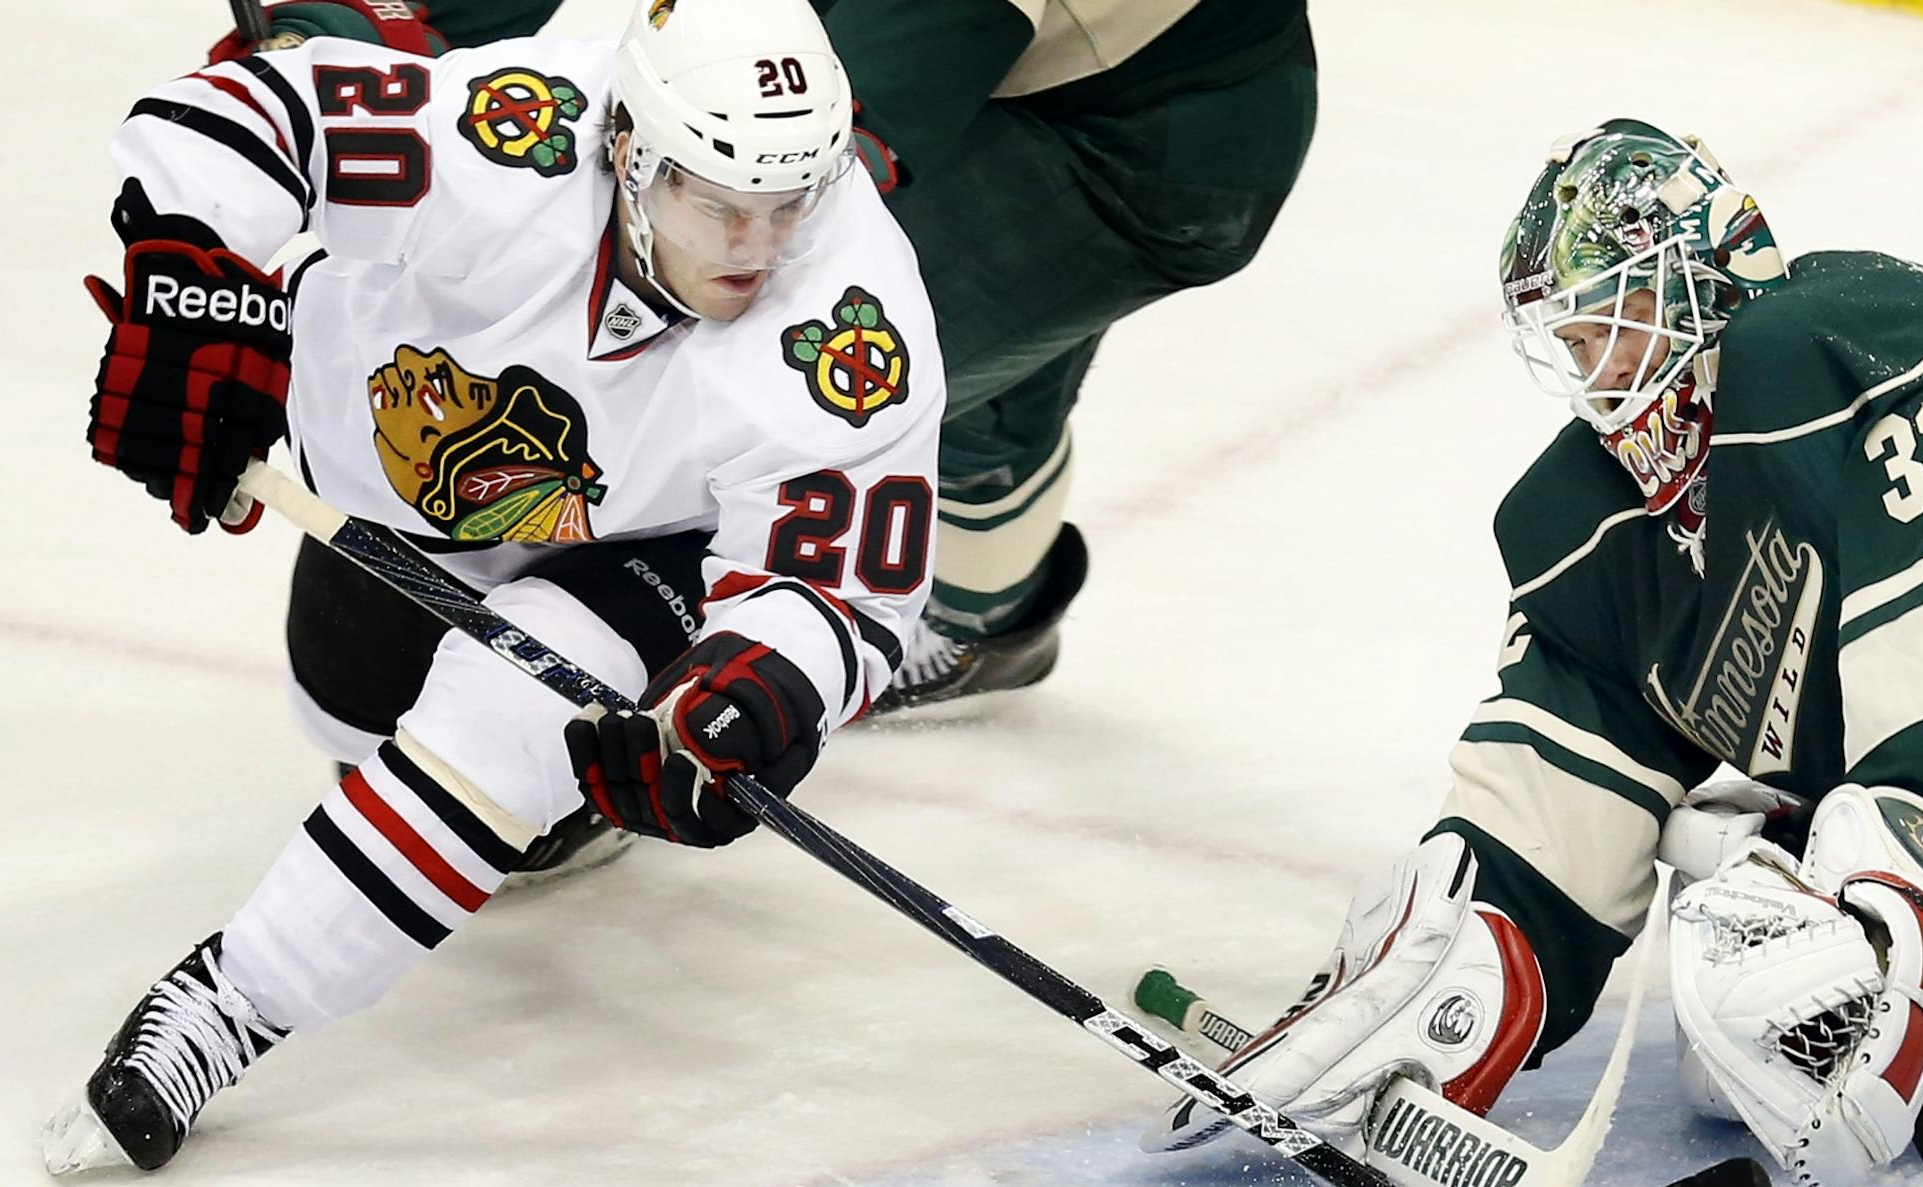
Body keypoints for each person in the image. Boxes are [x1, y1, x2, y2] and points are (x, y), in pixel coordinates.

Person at [1144, 119, 1923, 1187]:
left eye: (1614, 328)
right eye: (1573, 348)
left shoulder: (1852, 338)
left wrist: (1888, 900)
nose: (1602, 387)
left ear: (1703, 288)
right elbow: (1553, 789)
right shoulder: (1596, 528)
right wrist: (1464, 964)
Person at [47, 0, 942, 1174]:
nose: (756, 246)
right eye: (715, 201)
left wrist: (762, 688)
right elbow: (249, 113)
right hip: (385, 501)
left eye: (789, 201)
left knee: (505, 715)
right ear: (627, 149)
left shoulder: (850, 324)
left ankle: (227, 1006)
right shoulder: (515, 132)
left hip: (641, 549)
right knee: (358, 708)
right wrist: (188, 279)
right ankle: (531, 806)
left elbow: (841, 592)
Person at [208, 0, 1318, 750]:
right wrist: (304, 83)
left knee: (757, 361)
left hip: (1138, 143)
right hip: (1036, 52)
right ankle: (986, 594)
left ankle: (597, 709)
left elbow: (784, 211)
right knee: (933, 357)